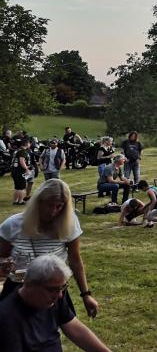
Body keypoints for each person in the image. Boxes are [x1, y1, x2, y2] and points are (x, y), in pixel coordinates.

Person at [0, 179, 99, 318]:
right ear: (38, 202)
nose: (53, 211)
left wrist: (86, 295)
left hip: (53, 290)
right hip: (19, 290)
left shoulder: (69, 224)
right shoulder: (12, 225)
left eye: (59, 206)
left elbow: (75, 261)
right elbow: (2, 258)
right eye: (49, 205)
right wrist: (4, 267)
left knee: (52, 336)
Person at [0, 255, 111, 351]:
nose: (59, 295)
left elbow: (76, 329)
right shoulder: (6, 318)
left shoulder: (53, 299)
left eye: (62, 288)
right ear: (29, 284)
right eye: (52, 289)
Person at [10, 140, 32, 205]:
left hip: (14, 170)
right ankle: (20, 201)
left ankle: (15, 200)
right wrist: (27, 169)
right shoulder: (23, 151)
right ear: (27, 144)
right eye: (29, 143)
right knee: (22, 187)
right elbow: (21, 161)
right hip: (19, 171)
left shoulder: (17, 150)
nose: (30, 144)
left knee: (17, 187)